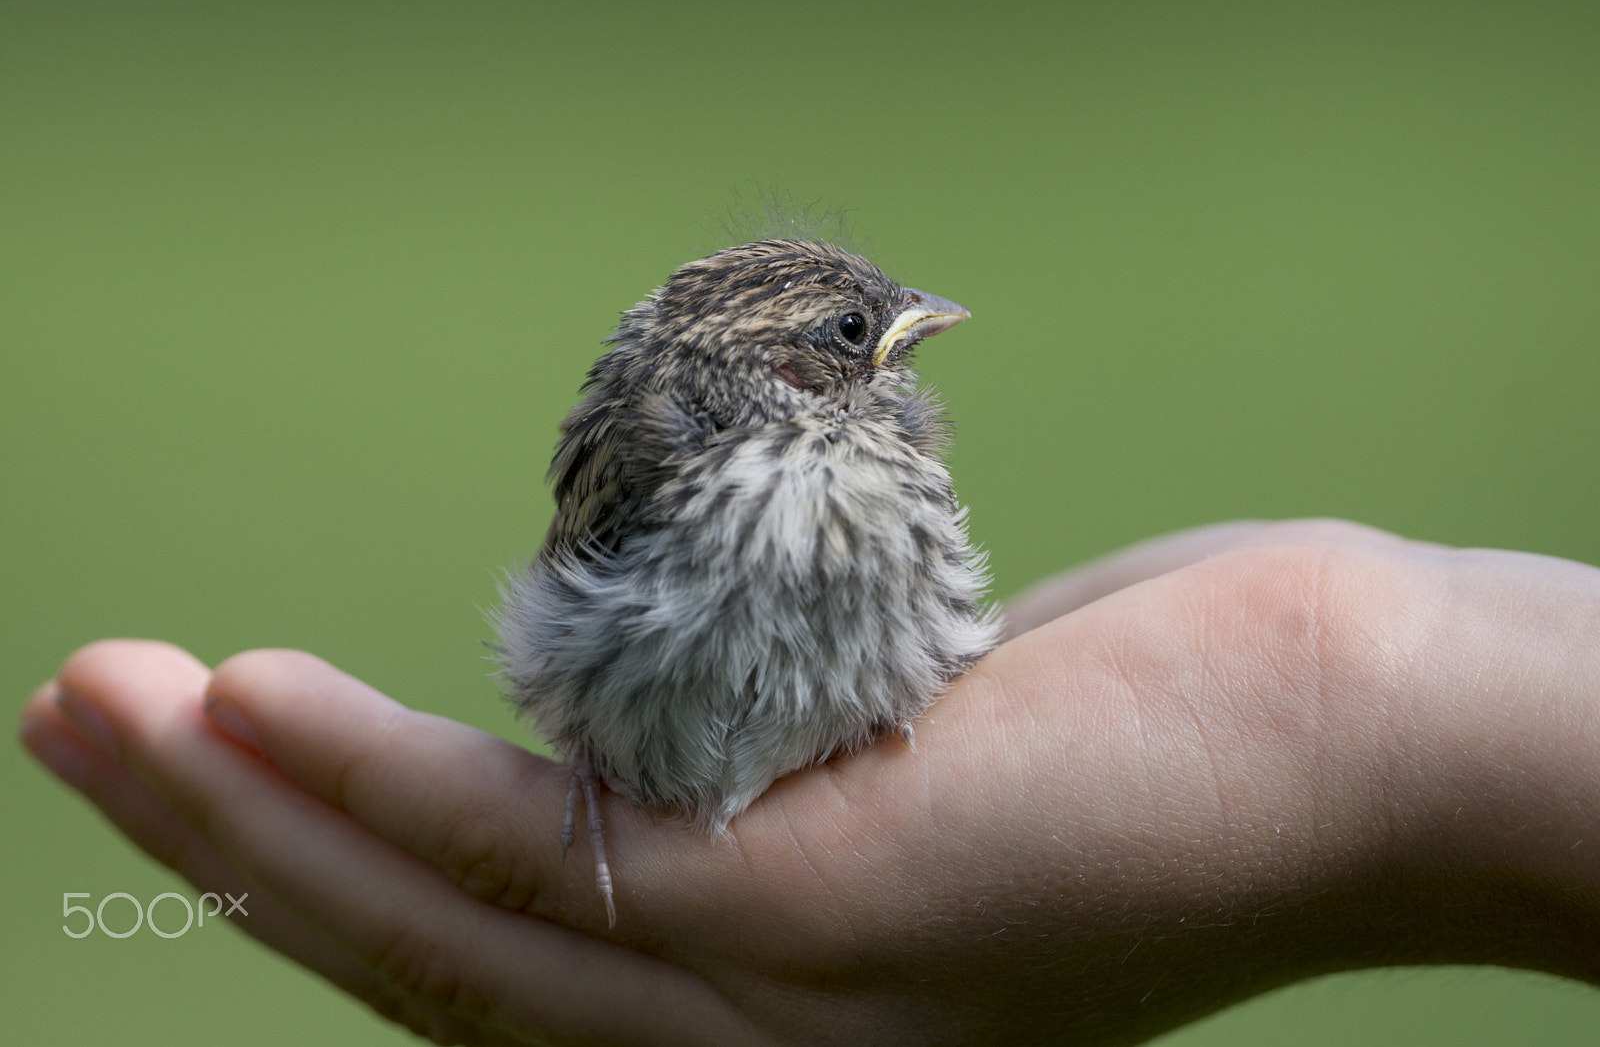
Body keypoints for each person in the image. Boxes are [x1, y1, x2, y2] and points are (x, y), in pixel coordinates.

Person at [19, 519, 1600, 1045]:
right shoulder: (653, 459)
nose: (906, 349)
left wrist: (1375, 707)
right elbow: (571, 609)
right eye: (857, 340)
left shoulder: (889, 481)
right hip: (637, 729)